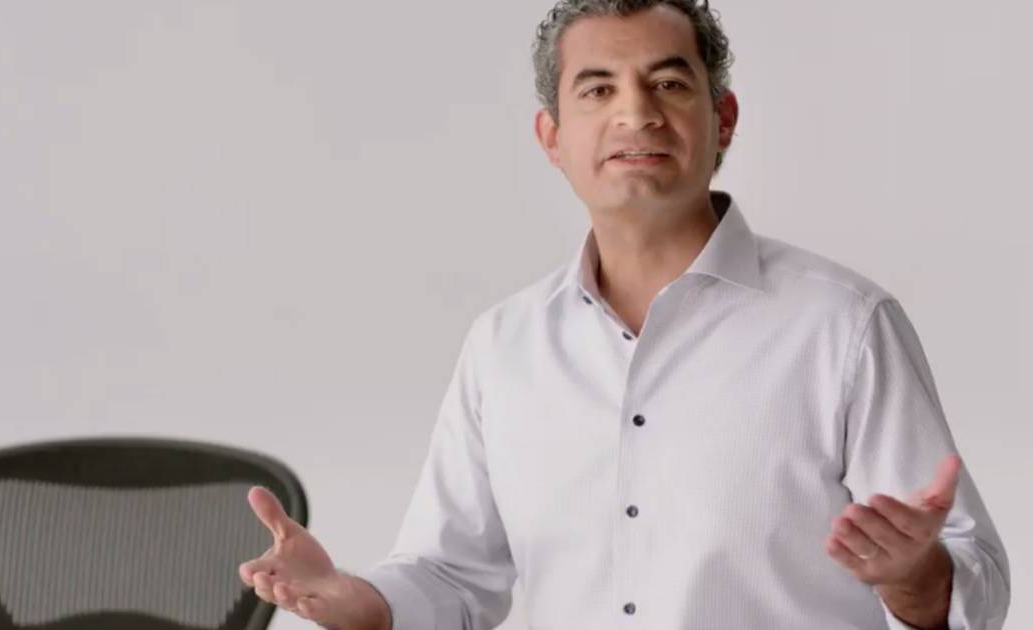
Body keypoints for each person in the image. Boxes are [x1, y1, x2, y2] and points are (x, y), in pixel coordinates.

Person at [238, 1, 1011, 628]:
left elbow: (975, 575)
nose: (636, 113)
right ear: (552, 137)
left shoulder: (843, 325)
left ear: (724, 119)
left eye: (668, 83)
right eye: (598, 89)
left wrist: (915, 577)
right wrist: (356, 601)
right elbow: (451, 574)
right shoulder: (504, 345)